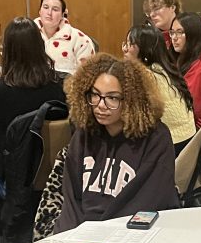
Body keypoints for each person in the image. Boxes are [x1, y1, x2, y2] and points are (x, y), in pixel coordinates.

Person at [54, 54, 179, 233]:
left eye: (112, 98)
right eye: (95, 95)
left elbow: (149, 201)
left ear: (131, 101)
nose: (101, 105)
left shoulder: (156, 138)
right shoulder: (84, 134)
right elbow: (71, 201)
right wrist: (69, 237)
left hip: (130, 233)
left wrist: (103, 234)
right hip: (83, 236)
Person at [0, 17, 67, 158]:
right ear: (40, 46)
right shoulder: (62, 83)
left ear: (6, 50)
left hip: (11, 170)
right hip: (53, 165)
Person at [123, 24, 195, 151]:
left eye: (130, 44)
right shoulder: (165, 69)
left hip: (172, 144)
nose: (124, 49)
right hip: (188, 142)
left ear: (145, 48)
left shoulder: (146, 76)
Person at [35, 0, 96, 73]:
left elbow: (88, 75)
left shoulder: (80, 39)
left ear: (63, 14)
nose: (49, 13)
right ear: (40, 11)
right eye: (45, 7)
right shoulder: (27, 35)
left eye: (55, 9)